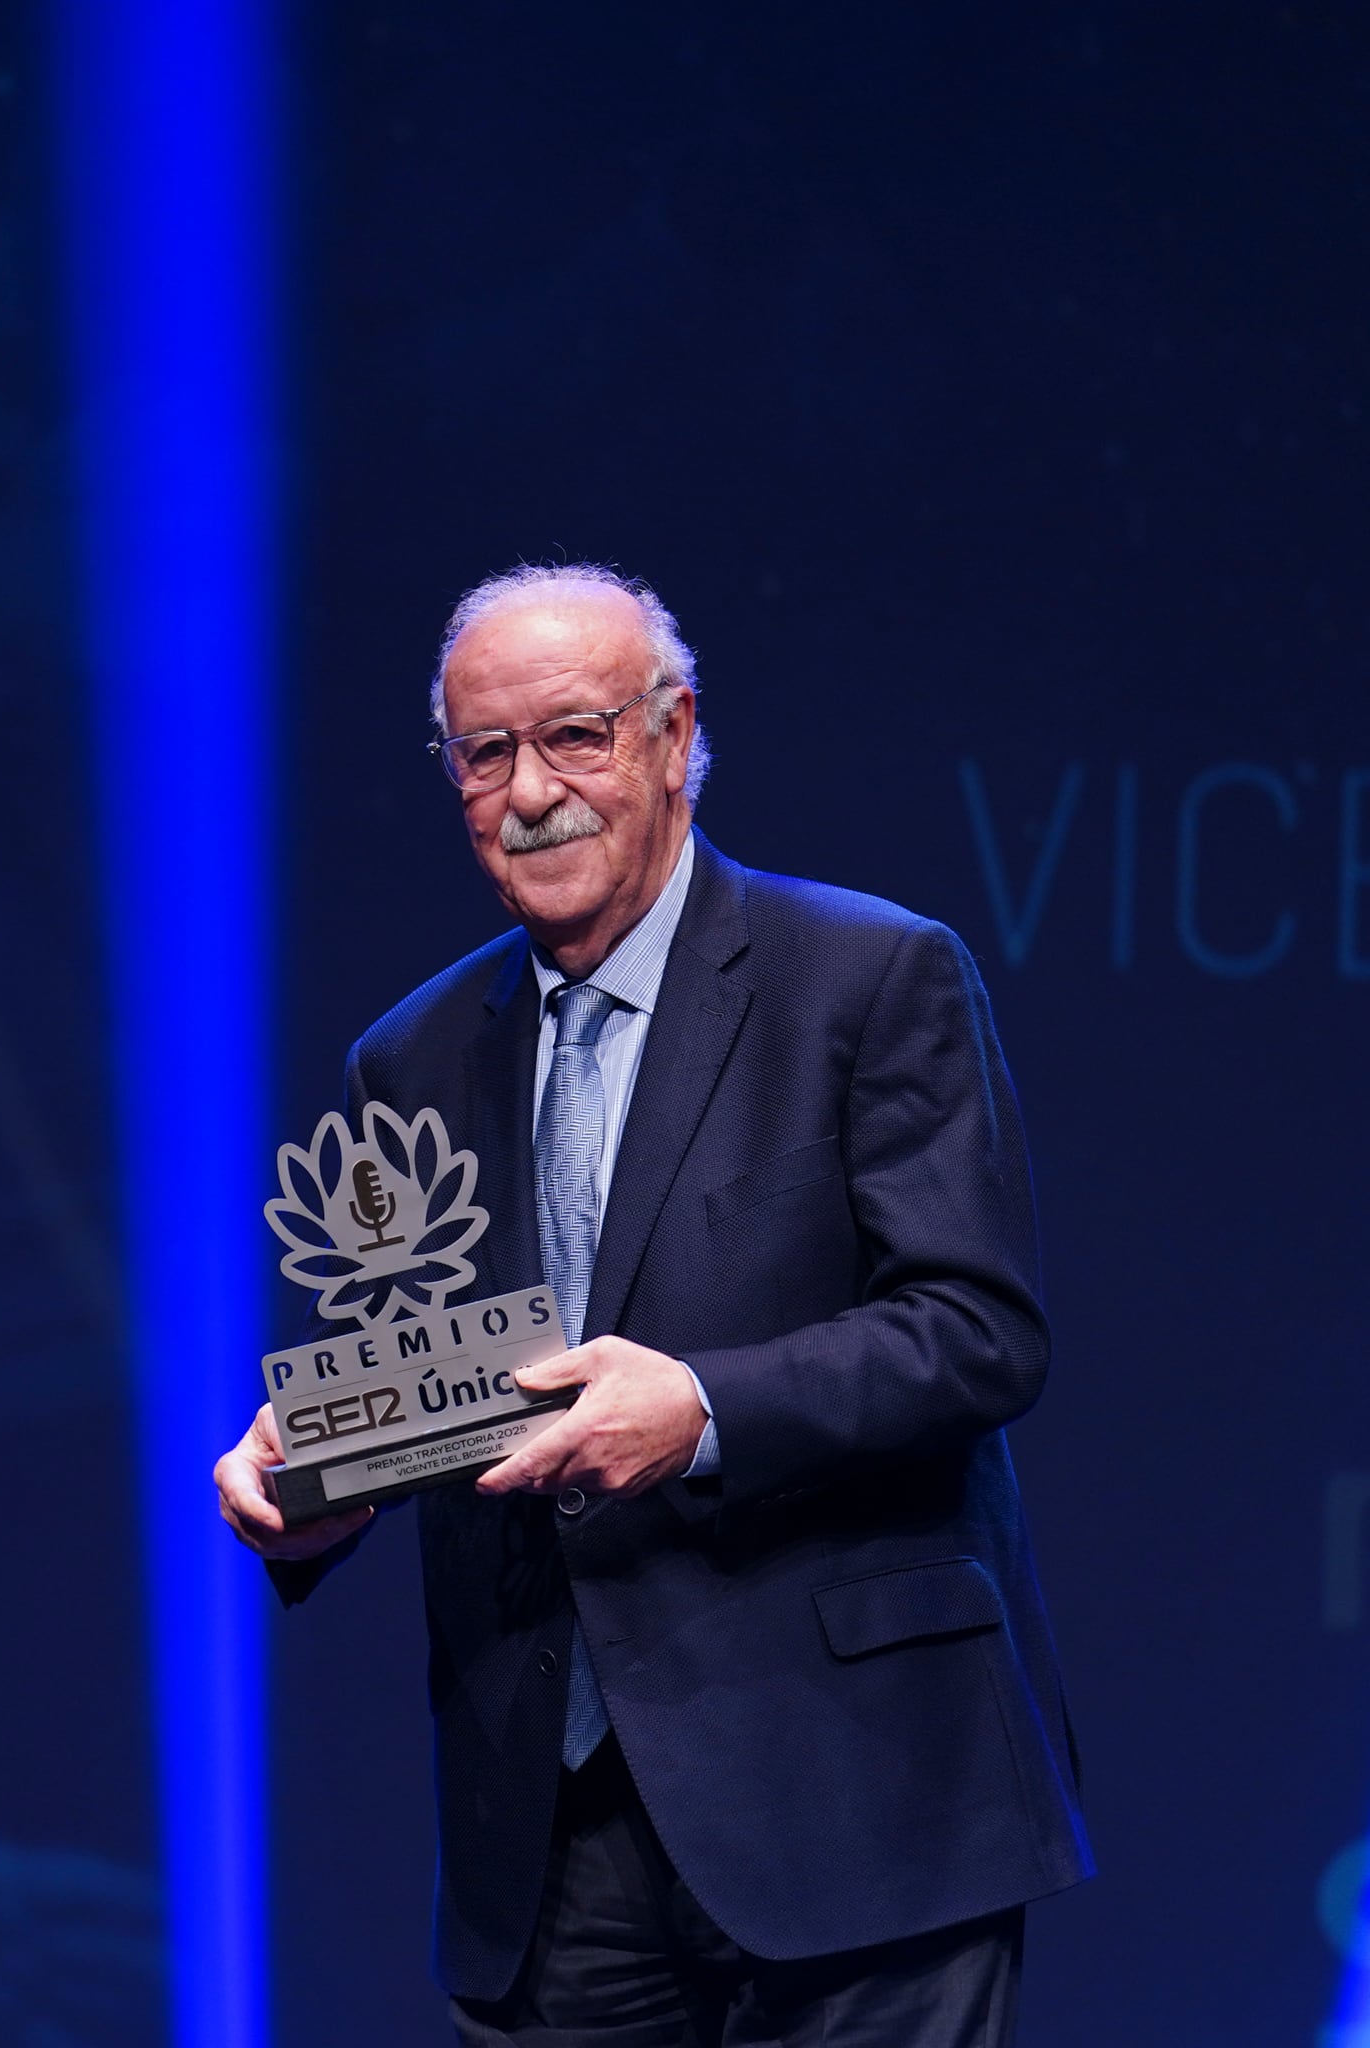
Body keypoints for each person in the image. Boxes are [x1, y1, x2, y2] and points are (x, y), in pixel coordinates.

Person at [214, 564, 1089, 2045]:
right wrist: (313, 1480)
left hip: (854, 1797)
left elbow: (977, 1331)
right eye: (485, 753)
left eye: (576, 736)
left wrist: (699, 1408)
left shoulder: (869, 976)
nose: (530, 792)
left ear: (674, 737)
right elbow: (411, 1383)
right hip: (548, 1833)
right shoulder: (409, 1060)